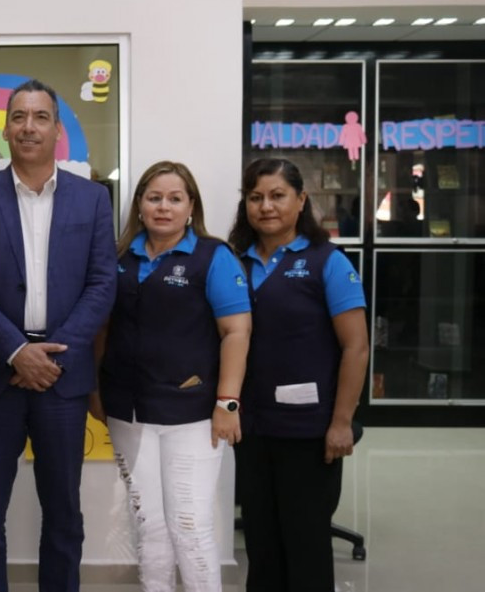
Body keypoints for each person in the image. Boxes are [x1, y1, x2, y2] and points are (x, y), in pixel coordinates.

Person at [0, 79, 117, 592]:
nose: (29, 126)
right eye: (18, 116)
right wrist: (16, 351)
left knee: (64, 512)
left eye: (40, 116)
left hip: (63, 379)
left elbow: (102, 283)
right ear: (5, 129)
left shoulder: (92, 199)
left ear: (57, 129)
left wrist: (52, 357)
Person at [94, 161, 251, 592]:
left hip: (193, 413)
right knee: (150, 524)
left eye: (174, 198)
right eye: (154, 198)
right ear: (139, 205)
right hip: (128, 411)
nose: (164, 207)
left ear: (190, 206)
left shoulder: (214, 257)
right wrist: (94, 388)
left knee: (190, 525)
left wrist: (228, 403)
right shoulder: (118, 257)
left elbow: (236, 332)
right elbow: (101, 329)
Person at [227, 158, 368, 592]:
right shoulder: (233, 262)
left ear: (301, 200)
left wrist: (341, 422)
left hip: (309, 430)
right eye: (255, 197)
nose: (266, 206)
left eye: (277, 196)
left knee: (306, 546)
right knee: (262, 544)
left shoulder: (328, 262)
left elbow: (356, 347)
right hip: (252, 428)